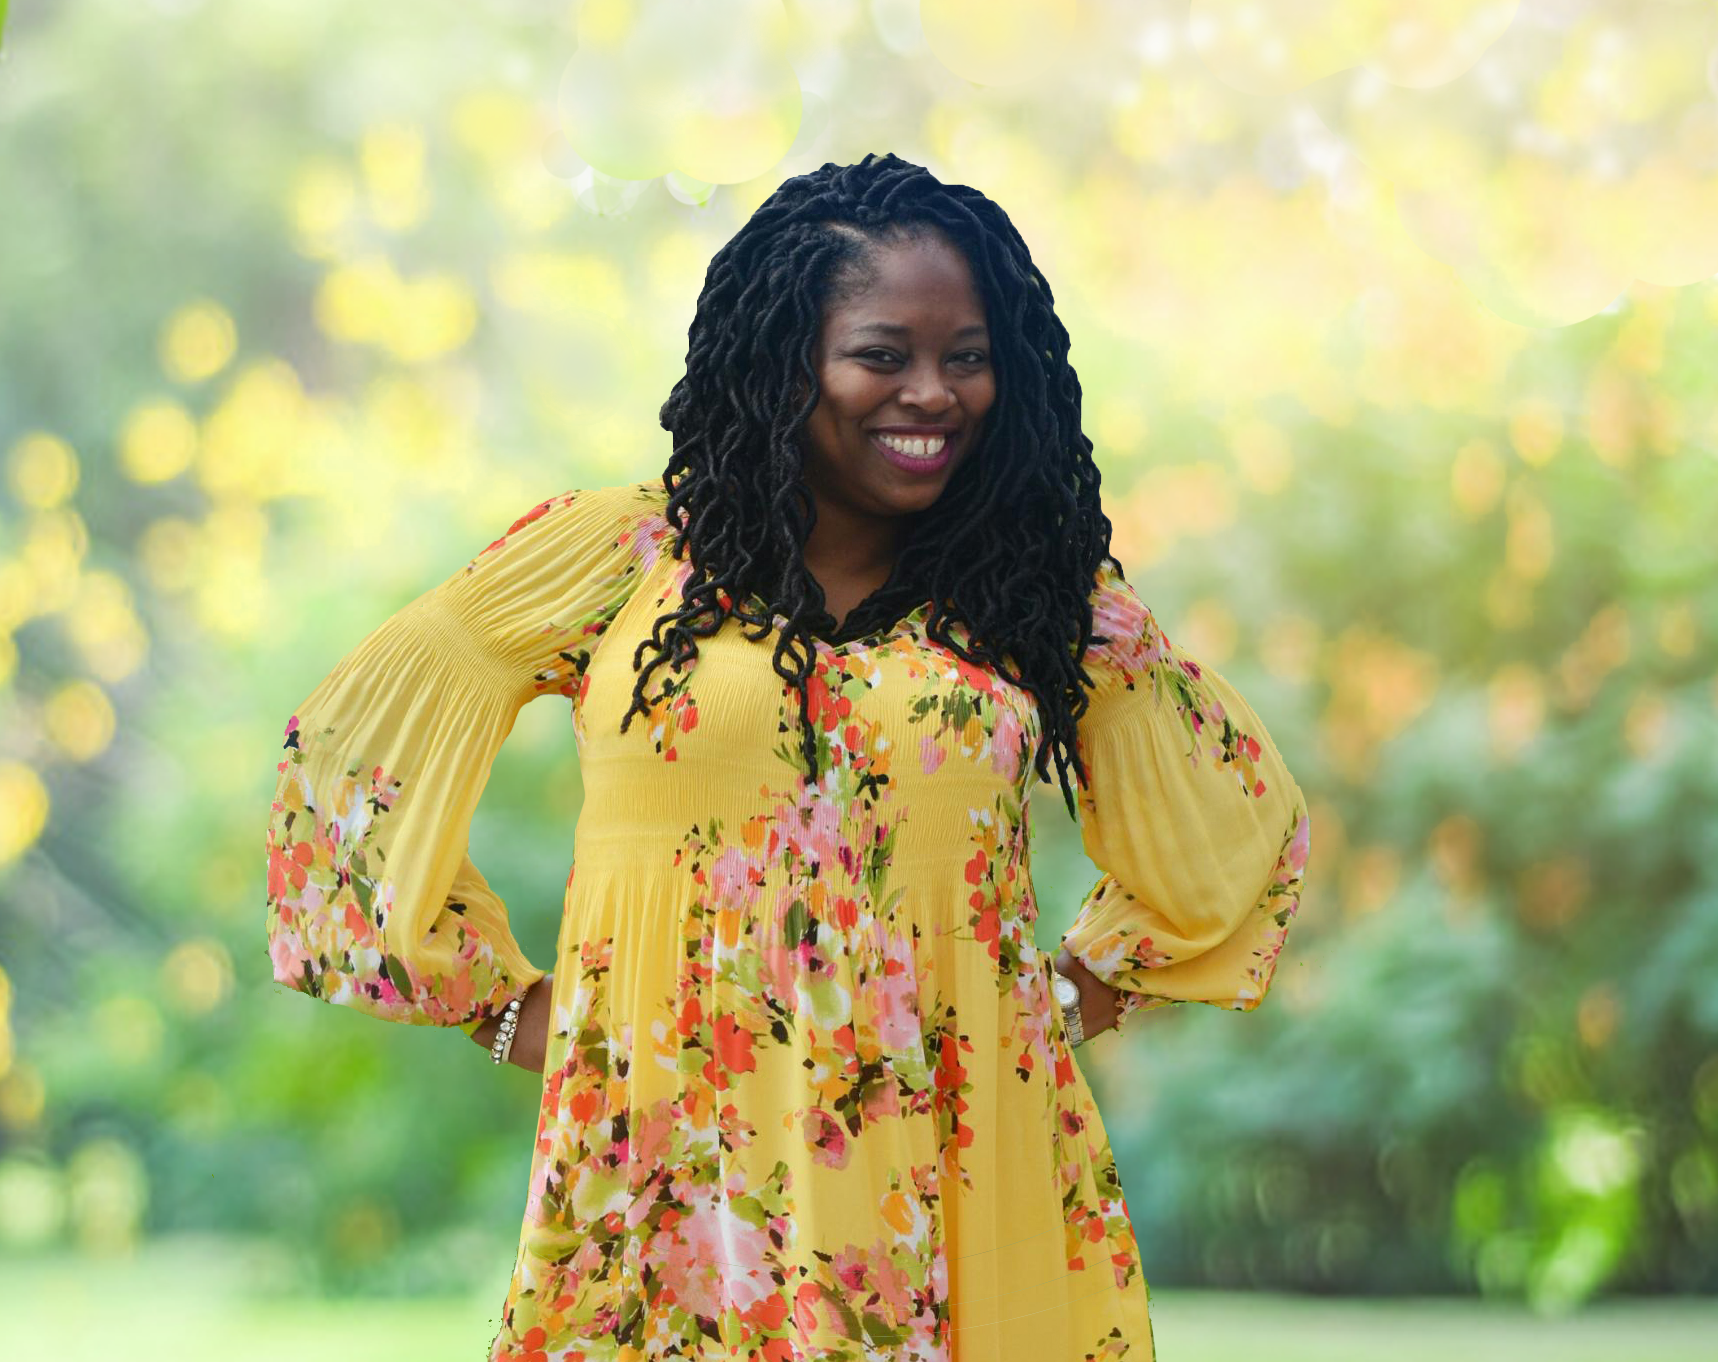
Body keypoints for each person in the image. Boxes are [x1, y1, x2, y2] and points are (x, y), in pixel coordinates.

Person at [264, 152, 1312, 1361]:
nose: (932, 393)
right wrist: (502, 1007)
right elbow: (348, 755)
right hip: (666, 1171)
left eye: (966, 356)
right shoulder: (626, 559)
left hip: (961, 1169)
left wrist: (1069, 998)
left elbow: (1236, 827)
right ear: (782, 363)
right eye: (882, 354)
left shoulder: (1033, 592)